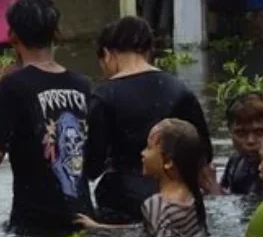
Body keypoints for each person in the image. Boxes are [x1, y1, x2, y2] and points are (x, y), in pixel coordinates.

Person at [0, 0, 94, 232]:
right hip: (83, 219)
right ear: (57, 33)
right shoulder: (83, 85)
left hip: (34, 226)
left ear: (11, 35)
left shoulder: (13, 86)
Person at [85, 16, 215, 225]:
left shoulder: (104, 95)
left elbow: (92, 166)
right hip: (181, 205)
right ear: (149, 50)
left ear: (108, 55)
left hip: (124, 202)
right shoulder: (180, 89)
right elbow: (204, 153)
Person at [77, 118, 209, 237]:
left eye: (149, 147)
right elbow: (147, 230)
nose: (143, 153)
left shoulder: (156, 205)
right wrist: (100, 228)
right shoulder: (193, 196)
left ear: (168, 162)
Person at [221, 91, 263, 196]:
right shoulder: (235, 160)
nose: (251, 141)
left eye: (259, 132)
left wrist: (213, 188)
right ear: (230, 133)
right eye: (241, 133)